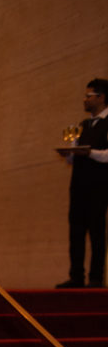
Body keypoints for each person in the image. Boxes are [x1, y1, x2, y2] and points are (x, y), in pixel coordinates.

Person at [56, 78, 108, 288]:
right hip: (78, 186)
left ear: (102, 97)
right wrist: (69, 151)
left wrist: (89, 152)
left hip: (98, 186)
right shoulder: (83, 125)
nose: (85, 100)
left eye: (89, 96)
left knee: (97, 232)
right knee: (75, 232)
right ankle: (76, 276)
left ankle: (96, 278)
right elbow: (73, 159)